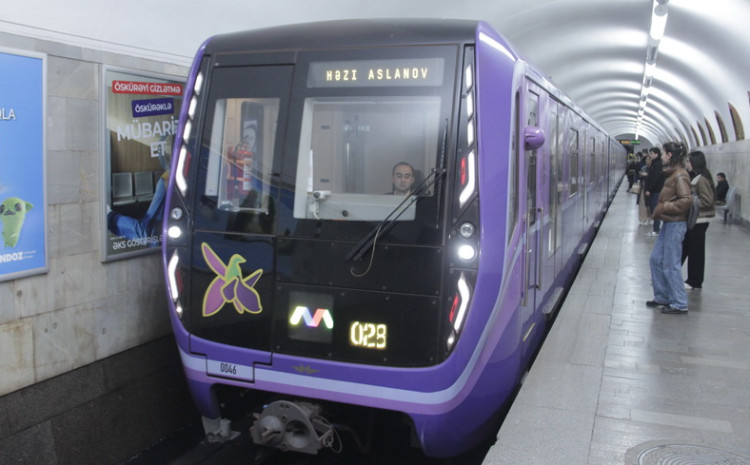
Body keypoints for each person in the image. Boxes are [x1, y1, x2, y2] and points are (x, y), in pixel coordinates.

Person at [647, 142, 693, 314]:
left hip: (675, 224)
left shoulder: (680, 175)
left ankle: (679, 303)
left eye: (663, 153)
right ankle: (662, 297)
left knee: (671, 264)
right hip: (669, 223)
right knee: (655, 259)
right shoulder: (674, 173)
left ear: (670, 155)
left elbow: (686, 200)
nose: (662, 156)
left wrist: (665, 207)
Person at [681, 151, 715, 290]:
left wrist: (690, 200)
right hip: (695, 218)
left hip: (700, 219)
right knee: (691, 248)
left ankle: (695, 281)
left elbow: (707, 200)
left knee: (696, 251)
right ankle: (691, 279)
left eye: (688, 161)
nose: (687, 164)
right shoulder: (697, 177)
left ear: (695, 163)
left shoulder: (701, 180)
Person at [644, 147, 666, 237]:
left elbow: (655, 178)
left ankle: (656, 230)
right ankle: (656, 229)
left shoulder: (657, 164)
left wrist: (649, 189)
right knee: (654, 210)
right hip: (655, 191)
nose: (650, 155)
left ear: (656, 154)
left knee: (655, 210)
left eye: (652, 153)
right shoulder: (656, 163)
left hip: (656, 191)